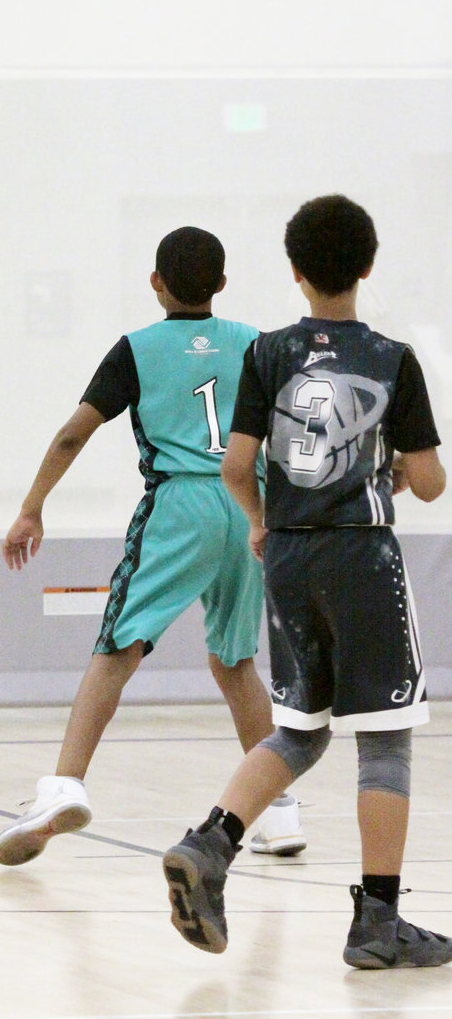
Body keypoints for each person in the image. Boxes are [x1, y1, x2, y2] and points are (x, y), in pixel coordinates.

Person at [162, 194, 451, 969]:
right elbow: (428, 482)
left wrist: (260, 522)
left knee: (300, 729)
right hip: (362, 556)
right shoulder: (391, 358)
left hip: (288, 556)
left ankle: (212, 843)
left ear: (294, 273)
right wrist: (400, 463)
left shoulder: (267, 354)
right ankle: (378, 921)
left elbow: (234, 466)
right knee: (384, 741)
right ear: (367, 265)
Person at [0, 228, 305, 866]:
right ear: (221, 284)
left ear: (155, 282)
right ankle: (279, 812)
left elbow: (73, 435)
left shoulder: (136, 349)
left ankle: (63, 785)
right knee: (235, 661)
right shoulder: (256, 345)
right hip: (248, 505)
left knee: (118, 646)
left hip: (179, 504)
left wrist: (32, 506)